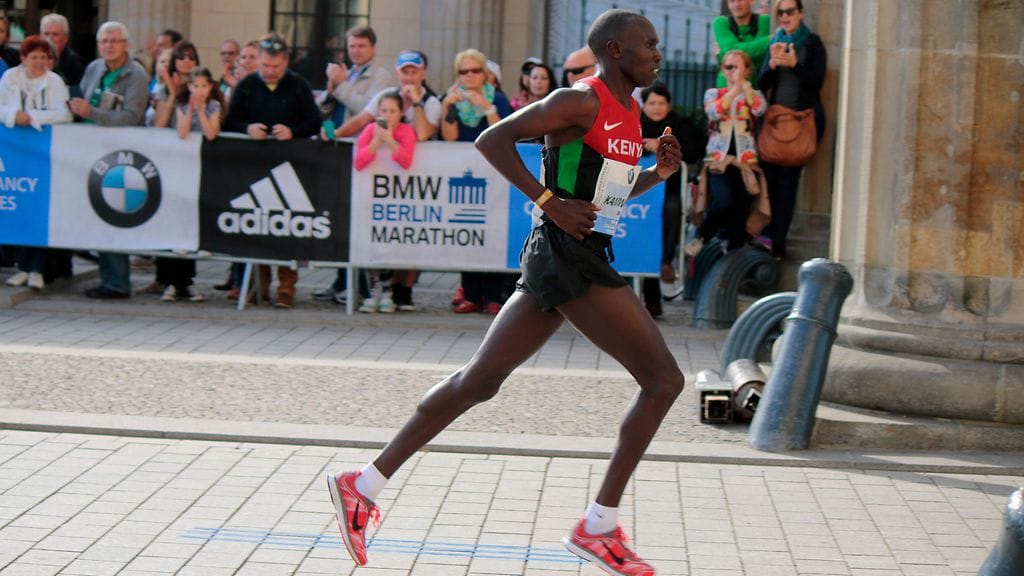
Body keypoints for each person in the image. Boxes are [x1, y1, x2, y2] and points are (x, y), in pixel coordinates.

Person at [325, 10, 683, 576]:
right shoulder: (578, 99)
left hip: (573, 253)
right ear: (616, 50)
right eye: (650, 44)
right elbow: (493, 140)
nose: (658, 54)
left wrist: (655, 174)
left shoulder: (629, 109)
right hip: (566, 259)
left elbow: (601, 196)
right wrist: (547, 202)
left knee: (480, 381)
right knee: (664, 380)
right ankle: (598, 527)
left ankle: (361, 483)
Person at [318, 50, 442, 310]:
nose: (409, 76)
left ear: (423, 73)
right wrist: (337, 133)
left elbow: (422, 133)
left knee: (412, 233)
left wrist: (416, 102)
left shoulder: (430, 101)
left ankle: (403, 290)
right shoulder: (385, 98)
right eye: (404, 71)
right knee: (382, 230)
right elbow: (362, 120)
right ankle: (380, 290)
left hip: (417, 178)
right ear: (397, 73)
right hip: (382, 179)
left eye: (414, 71)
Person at [223, 34, 320, 309]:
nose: (269, 71)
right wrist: (247, 129)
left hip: (290, 168)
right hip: (255, 167)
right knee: (259, 226)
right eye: (265, 65)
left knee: (288, 227)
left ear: (285, 62)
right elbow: (230, 120)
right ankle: (259, 284)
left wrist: (293, 131)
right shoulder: (248, 85)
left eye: (275, 66)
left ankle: (286, 287)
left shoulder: (298, 85)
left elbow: (313, 121)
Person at [71, 21, 150, 299]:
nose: (108, 45)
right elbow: (81, 102)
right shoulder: (94, 68)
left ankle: (117, 282)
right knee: (96, 217)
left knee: (112, 214)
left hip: (120, 157)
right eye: (103, 40)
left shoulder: (136, 75)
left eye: (114, 41)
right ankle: (108, 279)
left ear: (125, 44)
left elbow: (131, 116)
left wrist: (92, 112)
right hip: (90, 152)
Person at [441, 48, 513, 315]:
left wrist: (486, 108)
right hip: (464, 172)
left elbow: (503, 132)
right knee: (467, 228)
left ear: (484, 74)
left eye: (475, 70)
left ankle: (494, 295)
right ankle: (470, 294)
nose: (469, 76)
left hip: (494, 172)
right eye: (464, 71)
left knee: (492, 230)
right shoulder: (451, 99)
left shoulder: (498, 98)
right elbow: (449, 137)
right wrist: (448, 106)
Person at [0, 36, 72, 291]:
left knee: (39, 207)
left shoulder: (55, 81)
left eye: (43, 57)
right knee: (19, 206)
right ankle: (22, 266)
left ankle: (37, 269)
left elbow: (64, 113)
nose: (39, 62)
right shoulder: (10, 78)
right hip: (16, 151)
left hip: (44, 151)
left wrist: (31, 117)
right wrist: (12, 115)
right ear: (23, 58)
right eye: (34, 57)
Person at [757, 0, 826, 259]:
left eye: (789, 12)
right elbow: (762, 83)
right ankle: (766, 237)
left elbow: (816, 82)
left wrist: (795, 64)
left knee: (788, 186)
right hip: (774, 123)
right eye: (780, 12)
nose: (784, 17)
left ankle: (777, 242)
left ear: (801, 14)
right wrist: (773, 66)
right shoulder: (774, 42)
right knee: (771, 183)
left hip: (800, 122)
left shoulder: (812, 43)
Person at [688, 49, 767, 257]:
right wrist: (733, 91)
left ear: (747, 70)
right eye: (727, 67)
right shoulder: (714, 93)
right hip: (718, 160)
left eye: (736, 67)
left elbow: (759, 109)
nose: (731, 71)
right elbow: (714, 111)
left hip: (745, 161)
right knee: (724, 200)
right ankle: (702, 235)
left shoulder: (753, 95)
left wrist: (745, 88)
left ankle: (732, 254)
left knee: (740, 210)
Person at [638, 82, 705, 317]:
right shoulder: (633, 124)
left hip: (669, 190)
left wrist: (663, 145)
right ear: (643, 105)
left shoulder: (680, 125)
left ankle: (666, 263)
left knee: (671, 210)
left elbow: (695, 148)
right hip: (637, 192)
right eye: (652, 103)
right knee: (641, 237)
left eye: (662, 103)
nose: (657, 108)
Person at [352, 89, 418, 313]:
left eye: (392, 111)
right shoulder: (370, 129)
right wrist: (374, 142)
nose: (387, 115)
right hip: (372, 196)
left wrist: (389, 140)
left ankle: (388, 292)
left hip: (398, 197)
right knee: (370, 243)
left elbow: (406, 161)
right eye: (383, 111)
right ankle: (372, 293)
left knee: (390, 244)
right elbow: (359, 162)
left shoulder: (406, 131)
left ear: (401, 113)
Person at [323, 26, 396, 123]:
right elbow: (321, 112)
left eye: (361, 46)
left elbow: (367, 111)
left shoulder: (382, 76)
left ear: (373, 48)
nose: (355, 51)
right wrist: (330, 94)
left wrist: (340, 85)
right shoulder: (345, 74)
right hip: (332, 135)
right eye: (352, 46)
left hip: (356, 138)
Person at [712, 0, 771, 88]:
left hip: (754, 87)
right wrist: (767, 41)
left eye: (740, 0)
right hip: (726, 86)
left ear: (751, 1)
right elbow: (730, 49)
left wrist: (723, 55)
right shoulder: (721, 23)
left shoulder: (764, 21)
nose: (737, 4)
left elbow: (761, 58)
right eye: (732, 1)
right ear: (728, 4)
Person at [40, 13, 85, 92]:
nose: (50, 39)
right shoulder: (31, 58)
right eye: (46, 34)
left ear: (65, 38)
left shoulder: (74, 62)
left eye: (55, 34)